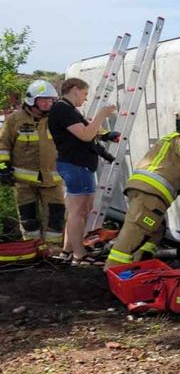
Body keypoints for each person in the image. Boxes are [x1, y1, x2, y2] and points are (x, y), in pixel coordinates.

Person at [106, 126, 180, 265]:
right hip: (151, 194)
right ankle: (114, 270)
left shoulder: (166, 141)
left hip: (138, 189)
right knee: (133, 234)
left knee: (156, 228)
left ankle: (142, 260)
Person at [48, 78, 119, 264]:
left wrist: (105, 147)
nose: (85, 99)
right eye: (85, 94)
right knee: (77, 212)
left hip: (79, 165)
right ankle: (80, 256)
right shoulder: (62, 109)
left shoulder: (68, 110)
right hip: (75, 165)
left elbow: (87, 135)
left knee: (81, 210)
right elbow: (86, 135)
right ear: (74, 90)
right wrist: (102, 115)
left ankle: (67, 251)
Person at [0, 80, 66, 251]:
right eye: (43, 100)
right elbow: (3, 146)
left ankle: (53, 252)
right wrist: (2, 168)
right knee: (28, 219)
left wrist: (105, 134)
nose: (48, 103)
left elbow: (80, 127)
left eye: (51, 100)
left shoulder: (57, 118)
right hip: (23, 183)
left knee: (56, 217)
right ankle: (31, 251)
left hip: (53, 180)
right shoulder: (15, 120)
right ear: (31, 100)